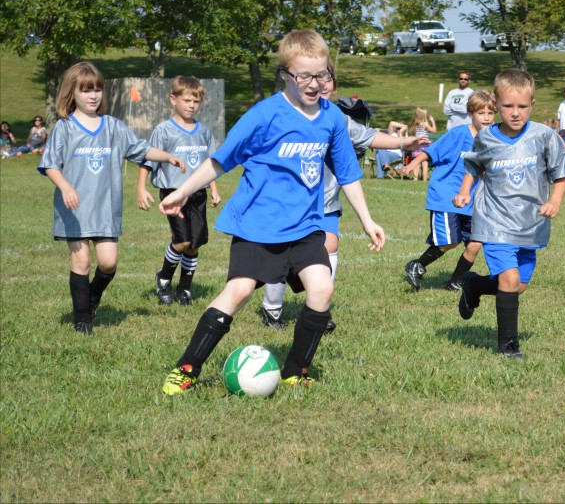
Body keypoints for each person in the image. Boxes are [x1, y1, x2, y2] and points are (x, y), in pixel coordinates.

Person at [157, 30, 385, 395]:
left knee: (322, 289)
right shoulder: (264, 115)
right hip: (258, 225)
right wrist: (183, 191)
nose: (314, 84)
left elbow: (348, 174)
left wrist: (367, 220)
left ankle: (296, 369)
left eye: (322, 74)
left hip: (305, 225)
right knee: (240, 290)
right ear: (285, 74)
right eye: (304, 76)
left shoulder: (331, 119)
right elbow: (221, 160)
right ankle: (187, 367)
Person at [261, 62, 429, 330]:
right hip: (286, 204)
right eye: (313, 78)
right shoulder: (285, 114)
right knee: (280, 258)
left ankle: (319, 309)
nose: (321, 85)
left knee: (330, 246)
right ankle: (272, 310)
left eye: (327, 80)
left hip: (325, 203)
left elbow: (369, 136)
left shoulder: (336, 118)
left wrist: (403, 143)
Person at [38, 62, 185, 334]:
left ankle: (92, 297)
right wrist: (66, 187)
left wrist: (168, 156)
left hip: (105, 208)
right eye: (85, 91)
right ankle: (82, 321)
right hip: (75, 209)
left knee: (108, 262)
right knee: (81, 262)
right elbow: (50, 164)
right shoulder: (65, 128)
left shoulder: (113, 127)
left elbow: (140, 149)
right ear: (72, 93)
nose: (93, 96)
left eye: (97, 90)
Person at [453, 69, 565, 358]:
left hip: (530, 223)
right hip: (494, 221)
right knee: (508, 280)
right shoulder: (486, 138)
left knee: (518, 286)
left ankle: (474, 284)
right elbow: (474, 166)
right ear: (496, 104)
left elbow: (561, 173)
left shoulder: (544, 136)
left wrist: (555, 200)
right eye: (507, 106)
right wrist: (466, 190)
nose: (514, 113)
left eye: (521, 107)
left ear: (532, 104)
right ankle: (508, 346)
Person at [137, 76, 221, 307]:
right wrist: (141, 188)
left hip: (197, 193)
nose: (192, 105)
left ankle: (185, 288)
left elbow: (210, 162)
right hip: (173, 193)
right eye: (187, 100)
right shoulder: (164, 130)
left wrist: (213, 188)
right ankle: (164, 278)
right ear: (173, 99)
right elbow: (147, 160)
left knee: (195, 244)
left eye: (196, 101)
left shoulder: (203, 131)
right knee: (182, 241)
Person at [401, 90, 494, 292]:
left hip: (473, 200)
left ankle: (456, 281)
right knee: (449, 241)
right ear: (471, 114)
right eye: (481, 113)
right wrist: (413, 164)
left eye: (490, 113)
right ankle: (417, 265)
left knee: (475, 244)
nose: (486, 117)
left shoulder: (493, 138)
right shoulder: (458, 134)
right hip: (446, 196)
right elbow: (431, 152)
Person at [407, 107, 437, 181]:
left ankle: (415, 178)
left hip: (416, 148)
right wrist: (433, 121)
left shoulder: (414, 125)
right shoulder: (425, 124)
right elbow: (434, 131)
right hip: (424, 148)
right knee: (424, 164)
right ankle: (424, 180)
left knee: (417, 163)